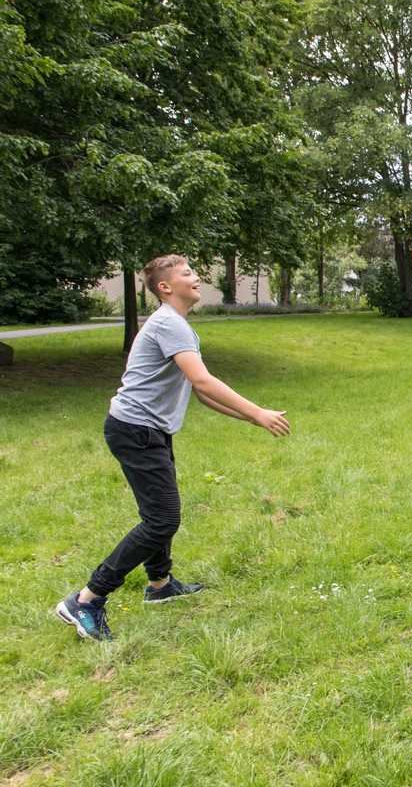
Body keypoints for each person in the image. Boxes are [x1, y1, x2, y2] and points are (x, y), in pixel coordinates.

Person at [55, 255, 292, 641]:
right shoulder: (169, 323)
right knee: (162, 519)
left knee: (159, 511)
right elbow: (205, 380)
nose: (196, 278)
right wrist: (258, 411)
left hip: (148, 431)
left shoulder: (174, 324)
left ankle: (160, 585)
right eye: (187, 274)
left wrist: (250, 418)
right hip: (136, 430)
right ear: (165, 287)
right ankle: (87, 599)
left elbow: (198, 391)